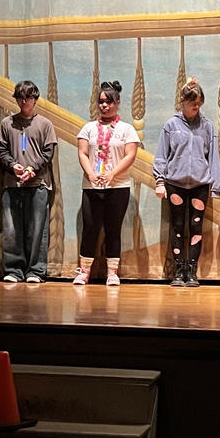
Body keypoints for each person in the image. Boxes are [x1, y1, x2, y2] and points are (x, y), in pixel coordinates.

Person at [153, 78, 220, 287]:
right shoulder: (171, 125)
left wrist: (216, 187)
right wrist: (159, 181)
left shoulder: (207, 127)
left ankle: (192, 270)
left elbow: (214, 159)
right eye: (193, 102)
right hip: (175, 183)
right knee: (178, 226)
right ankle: (178, 270)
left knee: (196, 226)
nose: (196, 106)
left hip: (199, 185)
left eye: (199, 102)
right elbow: (161, 155)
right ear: (182, 101)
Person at [73, 80, 141, 286]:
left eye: (109, 102)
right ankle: (84, 272)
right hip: (92, 187)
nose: (104, 106)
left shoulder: (126, 129)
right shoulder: (88, 128)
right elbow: (83, 153)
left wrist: (112, 173)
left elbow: (130, 155)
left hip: (117, 187)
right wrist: (91, 174)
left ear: (117, 103)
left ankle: (112, 272)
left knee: (113, 229)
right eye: (101, 102)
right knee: (90, 228)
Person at [0, 80, 58, 283]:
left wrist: (32, 169)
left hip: (38, 184)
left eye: (29, 97)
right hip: (12, 184)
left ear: (35, 99)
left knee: (37, 229)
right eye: (21, 97)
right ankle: (14, 271)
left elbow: (48, 153)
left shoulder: (45, 124)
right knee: (12, 230)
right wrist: (13, 165)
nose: (24, 101)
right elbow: (1, 151)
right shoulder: (7, 123)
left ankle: (35, 272)